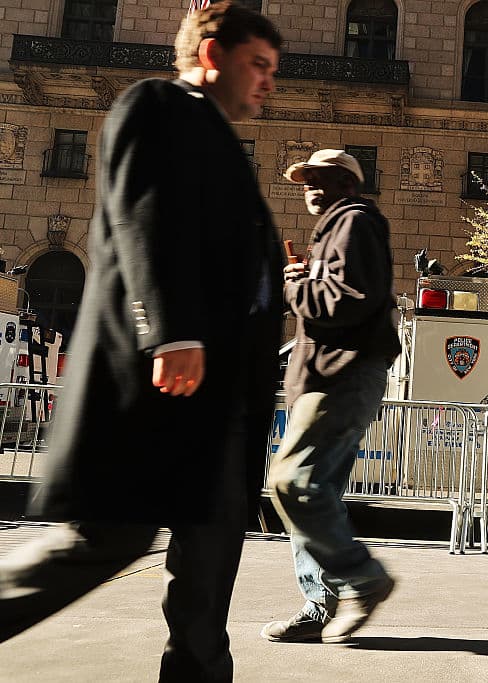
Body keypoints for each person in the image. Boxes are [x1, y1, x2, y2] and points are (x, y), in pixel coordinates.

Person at [0, 4, 284, 680]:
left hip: (217, 407)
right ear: (212, 55)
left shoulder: (221, 142)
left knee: (209, 567)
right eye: (259, 65)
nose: (270, 81)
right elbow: (140, 214)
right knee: (107, 539)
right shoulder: (156, 105)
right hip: (158, 385)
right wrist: (171, 328)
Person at [260, 149, 401, 644]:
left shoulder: (354, 222)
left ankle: (362, 578)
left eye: (323, 178)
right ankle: (320, 603)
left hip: (341, 377)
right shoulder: (336, 230)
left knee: (292, 485)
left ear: (349, 183)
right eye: (306, 181)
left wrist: (296, 286)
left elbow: (345, 300)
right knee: (313, 496)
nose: (311, 187)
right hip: (327, 379)